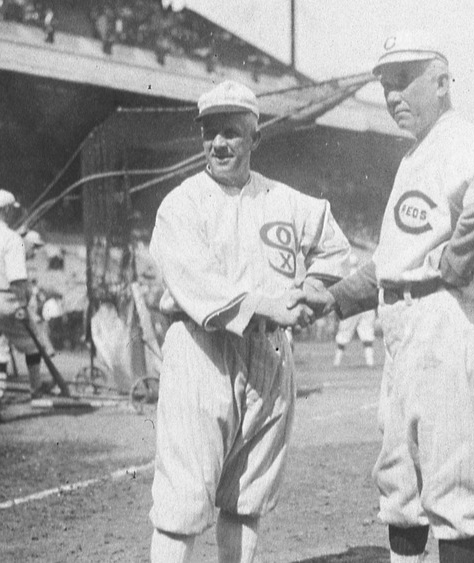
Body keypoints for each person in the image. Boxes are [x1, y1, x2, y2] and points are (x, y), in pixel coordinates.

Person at [295, 31, 474, 563]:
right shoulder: (417, 155)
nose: (393, 96)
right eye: (386, 86)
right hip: (405, 315)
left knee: (452, 473)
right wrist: (333, 298)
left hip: (448, 314)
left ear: (442, 83)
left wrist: (453, 262)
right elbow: (392, 259)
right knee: (400, 475)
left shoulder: (460, 136)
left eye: (403, 82)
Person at [147, 80, 350, 563]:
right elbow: (193, 283)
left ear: (255, 139)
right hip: (202, 349)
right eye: (210, 132)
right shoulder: (182, 203)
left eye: (232, 133)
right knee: (183, 498)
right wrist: (270, 304)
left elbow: (336, 249)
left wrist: (312, 288)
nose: (218, 144)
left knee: (248, 495)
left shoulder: (287, 201)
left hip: (270, 353)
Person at [0, 189, 55, 426]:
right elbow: (17, 281)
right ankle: (36, 390)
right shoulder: (12, 239)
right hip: (2, 299)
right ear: (6, 210)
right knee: (33, 342)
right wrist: (23, 305)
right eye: (12, 209)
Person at [332, 254, 377, 367]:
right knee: (367, 333)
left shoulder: (348, 276)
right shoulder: (363, 274)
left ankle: (337, 362)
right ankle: (370, 362)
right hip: (366, 306)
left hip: (353, 305)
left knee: (344, 333)